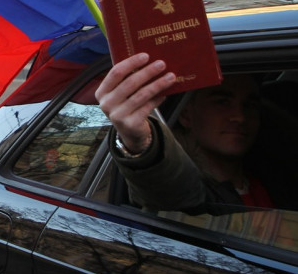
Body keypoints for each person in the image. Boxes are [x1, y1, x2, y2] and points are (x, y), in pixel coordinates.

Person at [95, 53, 296, 213]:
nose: (239, 116)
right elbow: (171, 191)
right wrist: (142, 143)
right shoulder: (191, 193)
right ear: (186, 116)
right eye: (222, 102)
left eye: (249, 105)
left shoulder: (278, 174)